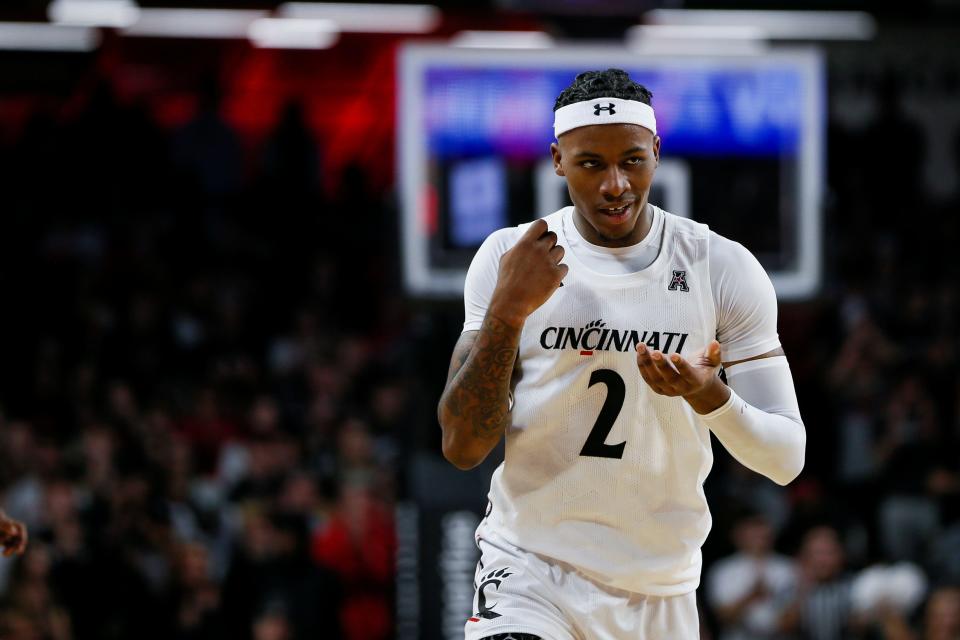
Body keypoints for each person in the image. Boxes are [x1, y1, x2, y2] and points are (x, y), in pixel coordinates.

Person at [437, 68, 807, 640]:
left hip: (659, 589)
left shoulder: (721, 267)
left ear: (657, 153)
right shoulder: (510, 257)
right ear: (557, 160)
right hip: (531, 570)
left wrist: (710, 398)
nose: (615, 184)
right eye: (591, 164)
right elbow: (462, 446)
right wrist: (507, 316)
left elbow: (786, 459)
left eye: (632, 161)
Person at [706, 510, 796, 640]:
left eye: (763, 535)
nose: (758, 540)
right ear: (737, 537)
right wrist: (752, 596)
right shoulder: (722, 570)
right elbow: (722, 618)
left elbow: (794, 618)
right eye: (753, 535)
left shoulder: (788, 567)